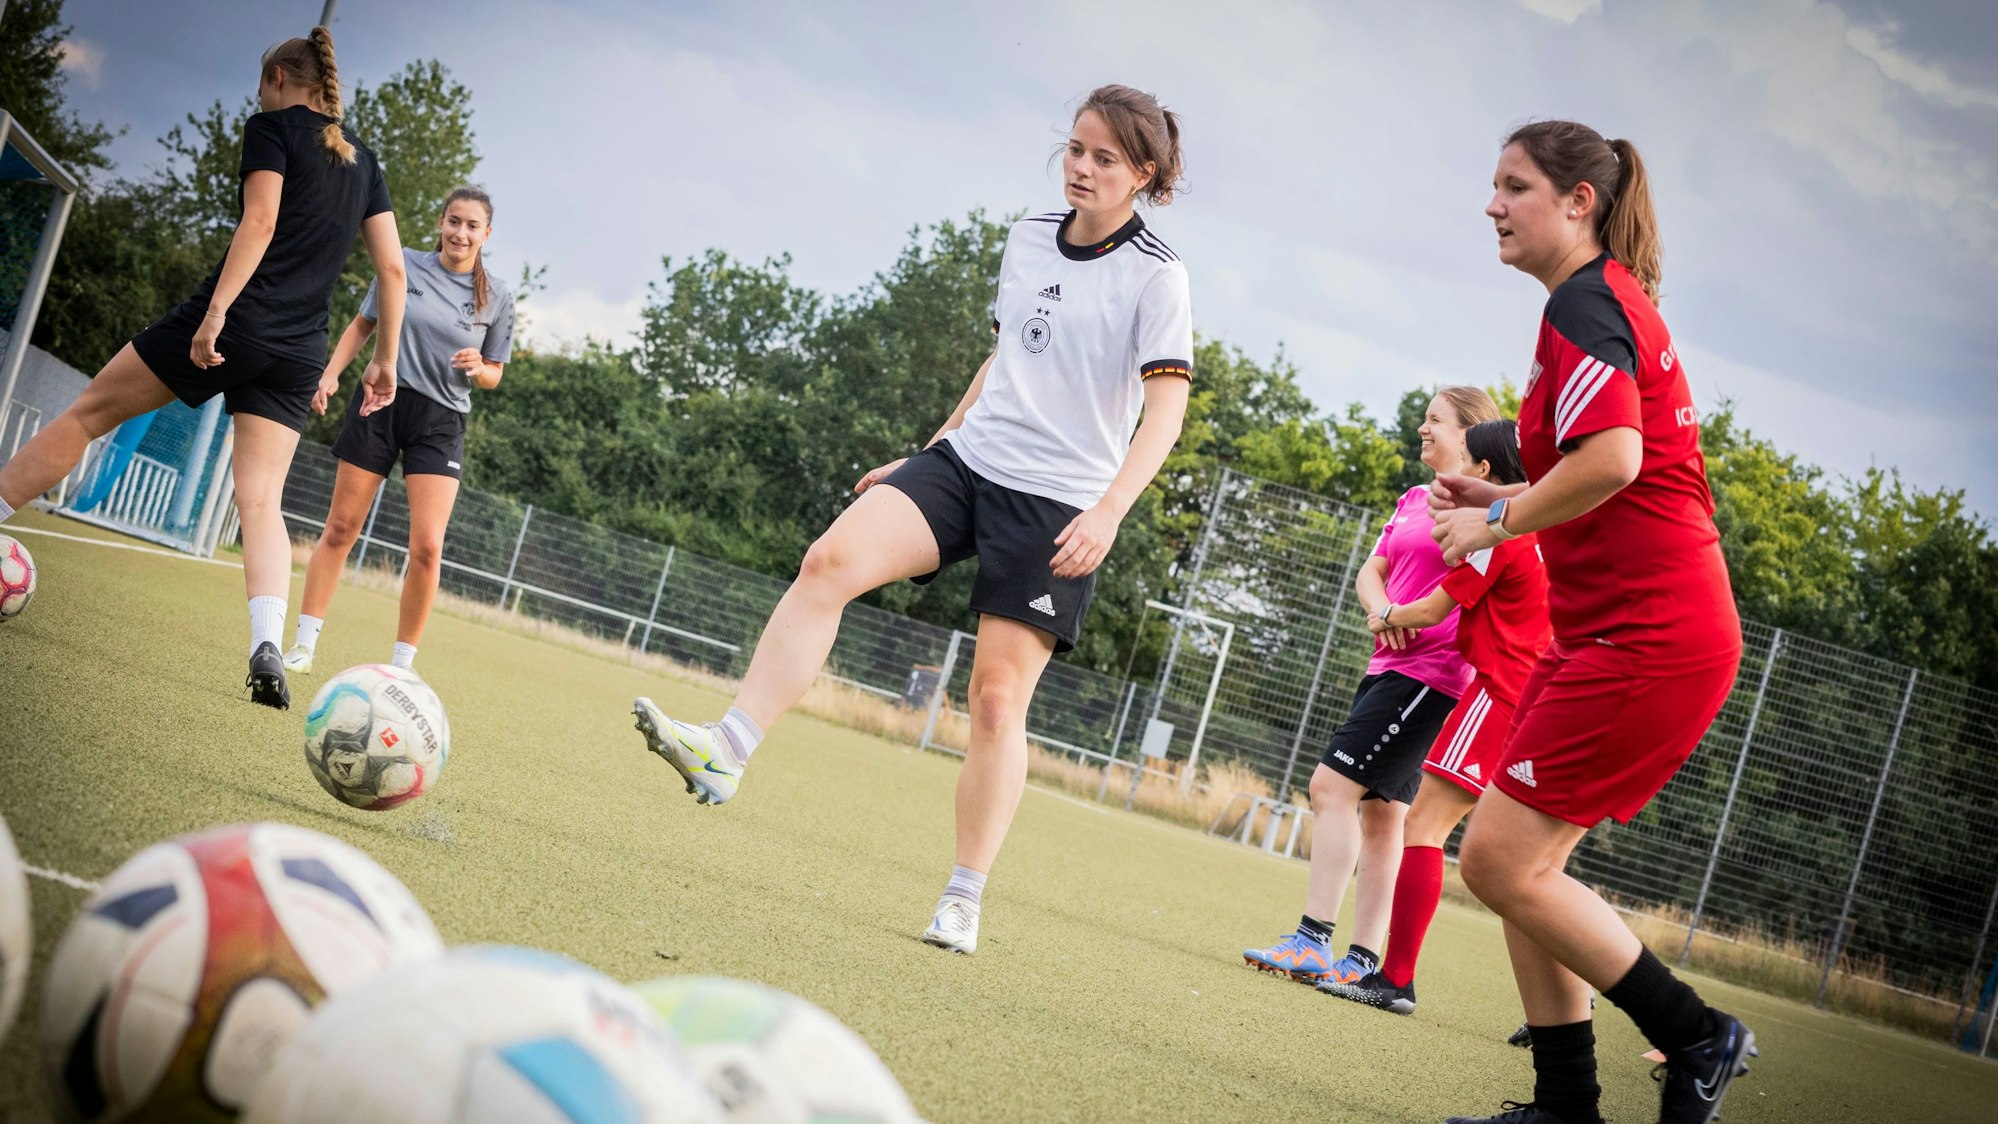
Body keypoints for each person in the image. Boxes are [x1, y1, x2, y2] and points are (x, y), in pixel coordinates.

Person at [626, 85, 1192, 956]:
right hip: (968, 464)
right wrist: (929, 452)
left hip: (1058, 502)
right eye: (1075, 148)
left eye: (1104, 158)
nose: (1081, 167)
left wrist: (1111, 511)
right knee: (829, 562)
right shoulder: (1027, 235)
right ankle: (727, 748)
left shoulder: (1157, 275)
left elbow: (1164, 415)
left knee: (996, 702)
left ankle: (963, 897)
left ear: (1141, 174)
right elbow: (1003, 359)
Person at [1429, 121, 1751, 1124]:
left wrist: (1491, 518)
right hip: (1623, 633)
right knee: (1518, 863)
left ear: (1579, 203)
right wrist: (1496, 470)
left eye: (1514, 185)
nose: (1492, 203)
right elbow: (1594, 453)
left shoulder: (1584, 302)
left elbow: (1611, 458)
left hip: (1650, 636)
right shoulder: (1598, 302)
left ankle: (1698, 1033)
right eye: (1493, 184)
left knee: (1493, 859)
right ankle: (1565, 1104)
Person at [0, 27, 402, 709]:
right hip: (299, 349)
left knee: (89, 413)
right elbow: (392, 269)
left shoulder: (271, 127)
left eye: (260, 79)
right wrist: (384, 359)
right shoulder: (363, 162)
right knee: (260, 500)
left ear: (278, 77)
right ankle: (265, 645)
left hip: (235, 320)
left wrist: (215, 314)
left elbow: (260, 221)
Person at [1241, 388, 1497, 986]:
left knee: (1330, 787)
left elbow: (1448, 601)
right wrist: (1382, 608)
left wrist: (1394, 619)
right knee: (1385, 817)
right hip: (1387, 668)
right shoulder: (1413, 498)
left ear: (1468, 436)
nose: (1422, 428)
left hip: (1429, 677)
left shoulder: (1478, 515)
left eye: (1435, 420)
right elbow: (1372, 568)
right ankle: (1361, 960)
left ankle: (1311, 940)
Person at [1319, 418, 1548, 1016]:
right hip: (1536, 698)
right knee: (1525, 866)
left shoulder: (1499, 535)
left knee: (1422, 826)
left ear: (1484, 474)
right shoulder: (1546, 531)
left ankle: (1393, 978)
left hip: (1498, 694)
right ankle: (1565, 1002)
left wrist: (1384, 615)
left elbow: (1431, 606)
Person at [284, 186, 515, 674]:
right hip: (380, 404)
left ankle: (401, 668)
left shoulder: (498, 296)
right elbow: (362, 325)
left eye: (472, 225)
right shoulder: (403, 264)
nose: (461, 232)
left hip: (441, 422)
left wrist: (479, 366)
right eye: (454, 221)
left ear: (486, 234)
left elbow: (495, 372)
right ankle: (303, 646)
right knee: (341, 528)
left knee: (428, 546)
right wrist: (329, 373)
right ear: (441, 223)